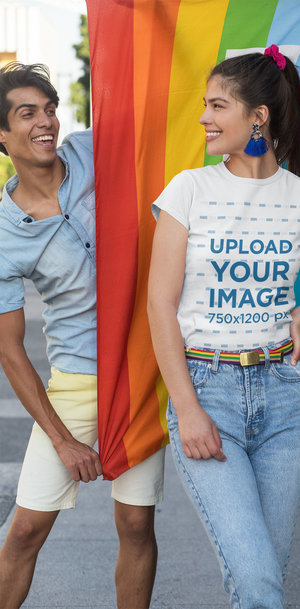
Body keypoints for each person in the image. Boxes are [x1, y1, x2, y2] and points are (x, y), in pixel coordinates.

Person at [147, 46, 300, 608]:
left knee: (265, 578)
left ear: (257, 115)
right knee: (257, 578)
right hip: (207, 391)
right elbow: (159, 307)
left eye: (218, 105)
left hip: (285, 405)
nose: (204, 118)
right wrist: (187, 409)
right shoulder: (189, 191)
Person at [0, 62, 165, 609]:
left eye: (49, 109)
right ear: (2, 135)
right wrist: (63, 440)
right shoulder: (3, 233)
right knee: (24, 532)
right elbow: (9, 348)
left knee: (136, 523)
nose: (45, 122)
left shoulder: (94, 150)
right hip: (76, 384)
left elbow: (158, 126)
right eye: (28, 114)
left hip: (141, 371)